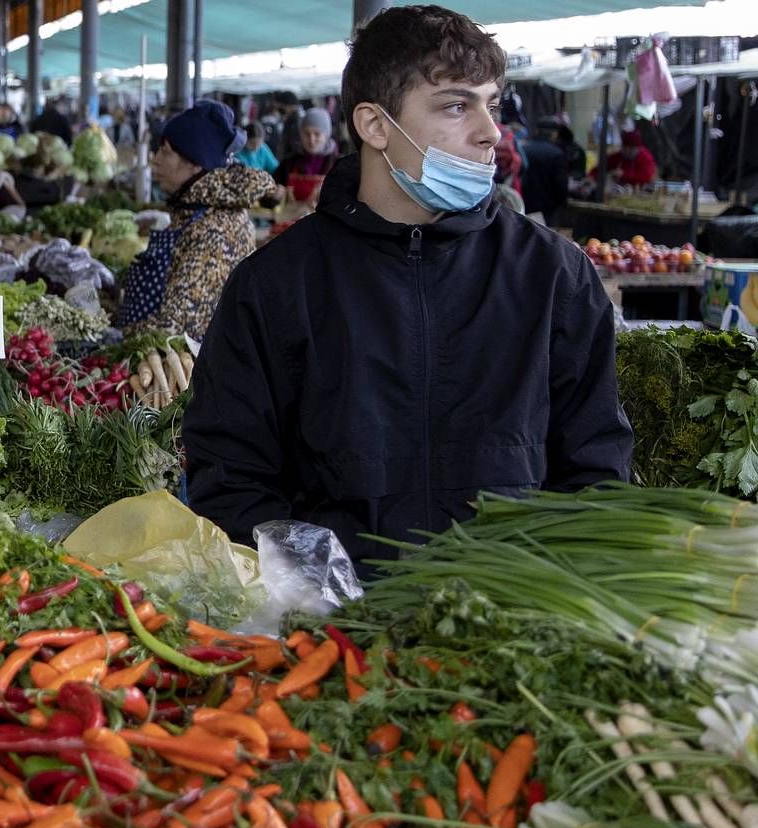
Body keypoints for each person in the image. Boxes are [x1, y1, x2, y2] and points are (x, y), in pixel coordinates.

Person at [183, 5, 632, 573]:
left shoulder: (554, 277)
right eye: (455, 105)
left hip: (512, 626)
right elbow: (229, 473)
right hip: (330, 637)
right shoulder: (276, 285)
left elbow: (597, 471)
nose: (490, 130)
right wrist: (317, 590)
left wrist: (537, 599)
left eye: (491, 104)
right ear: (374, 126)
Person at [116, 100, 276, 346]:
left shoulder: (215, 230)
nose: (155, 160)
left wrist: (116, 338)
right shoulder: (194, 210)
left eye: (166, 152)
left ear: (195, 163)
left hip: (183, 373)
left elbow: (176, 327)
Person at [275, 109, 339, 205]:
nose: (311, 140)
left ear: (326, 135)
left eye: (317, 134)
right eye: (306, 134)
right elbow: (269, 200)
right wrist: (275, 195)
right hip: (292, 219)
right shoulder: (288, 163)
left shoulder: (340, 164)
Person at [520, 124, 569, 222]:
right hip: (547, 207)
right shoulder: (556, 154)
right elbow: (561, 185)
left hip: (523, 202)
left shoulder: (523, 149)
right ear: (554, 134)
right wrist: (562, 203)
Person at [592, 128, 657, 189]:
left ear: (638, 147)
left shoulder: (645, 157)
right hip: (618, 192)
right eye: (625, 147)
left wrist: (624, 174)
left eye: (631, 148)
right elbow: (599, 169)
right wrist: (591, 177)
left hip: (640, 193)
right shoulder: (617, 157)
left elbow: (646, 176)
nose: (628, 151)